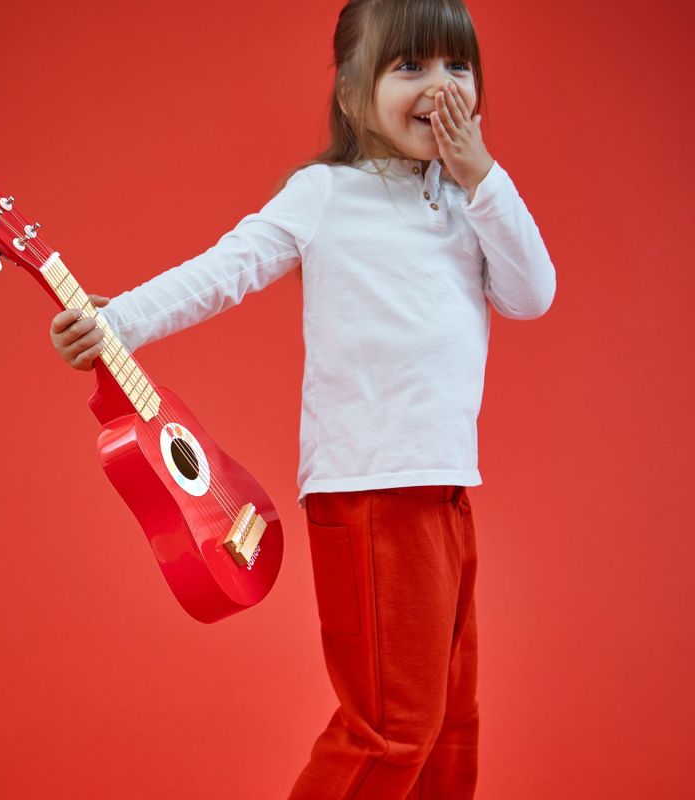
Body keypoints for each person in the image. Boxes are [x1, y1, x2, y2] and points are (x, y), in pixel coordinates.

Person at [49, 0, 556, 796]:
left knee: (452, 725)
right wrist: (116, 322)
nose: (441, 86)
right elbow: (226, 269)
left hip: (446, 491)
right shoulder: (326, 195)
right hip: (370, 492)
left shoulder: (470, 202)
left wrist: (483, 175)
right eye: (411, 66)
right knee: (392, 729)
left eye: (458, 66)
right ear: (353, 94)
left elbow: (532, 294)